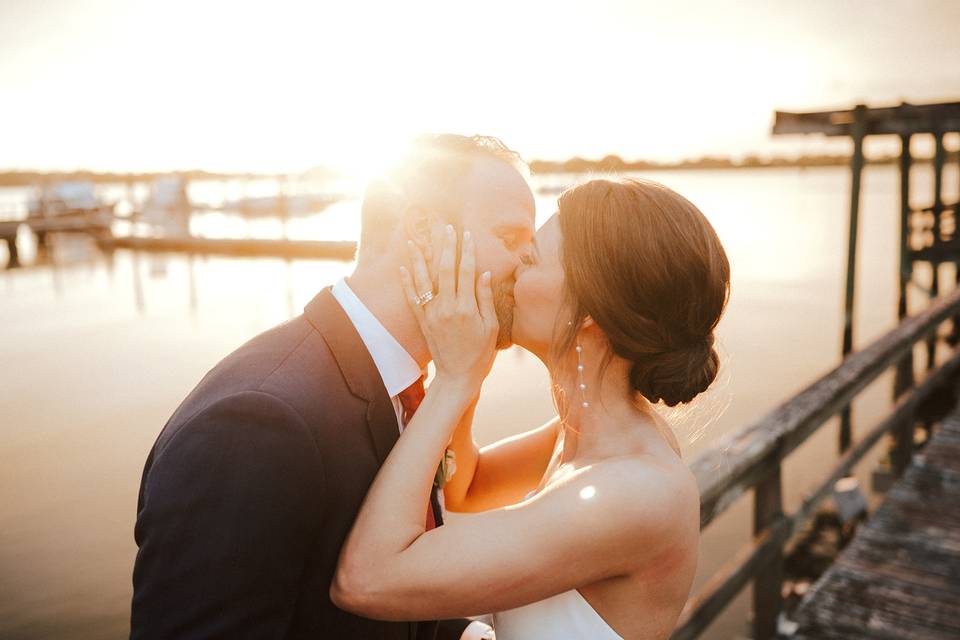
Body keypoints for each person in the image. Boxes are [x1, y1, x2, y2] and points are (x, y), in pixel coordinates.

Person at [130, 134, 535, 639]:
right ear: (425, 232)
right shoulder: (254, 424)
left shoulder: (401, 385)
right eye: (512, 238)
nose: (527, 266)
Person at [331, 178, 730, 639]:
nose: (509, 271)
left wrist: (454, 383)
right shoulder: (584, 435)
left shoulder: (635, 490)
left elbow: (366, 580)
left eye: (531, 259)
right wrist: (469, 368)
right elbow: (467, 486)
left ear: (587, 314)